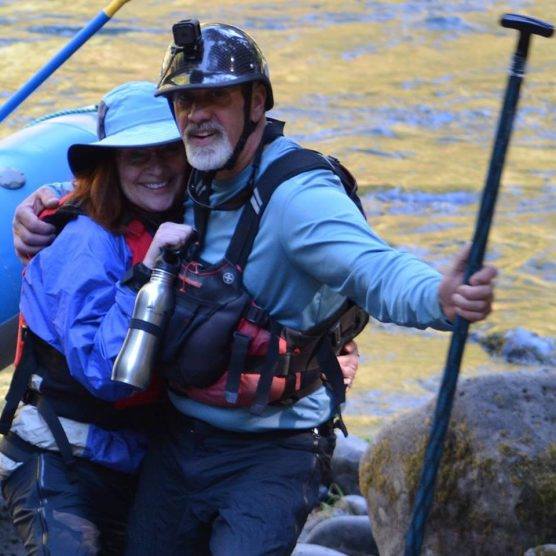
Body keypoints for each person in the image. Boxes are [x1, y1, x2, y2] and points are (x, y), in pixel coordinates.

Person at [12, 21, 495, 555]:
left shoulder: (297, 198)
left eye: (214, 97)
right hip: (176, 442)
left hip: (271, 451)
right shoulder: (193, 176)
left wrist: (440, 299)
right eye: (185, 101)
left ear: (257, 102)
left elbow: (373, 268)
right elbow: (123, 188)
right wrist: (42, 205)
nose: (196, 115)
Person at [1, 80, 194, 554]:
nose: (156, 168)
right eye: (136, 156)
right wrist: (145, 275)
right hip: (60, 462)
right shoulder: (83, 239)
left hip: (136, 463)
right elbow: (105, 373)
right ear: (112, 165)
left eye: (167, 151)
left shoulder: (186, 217)